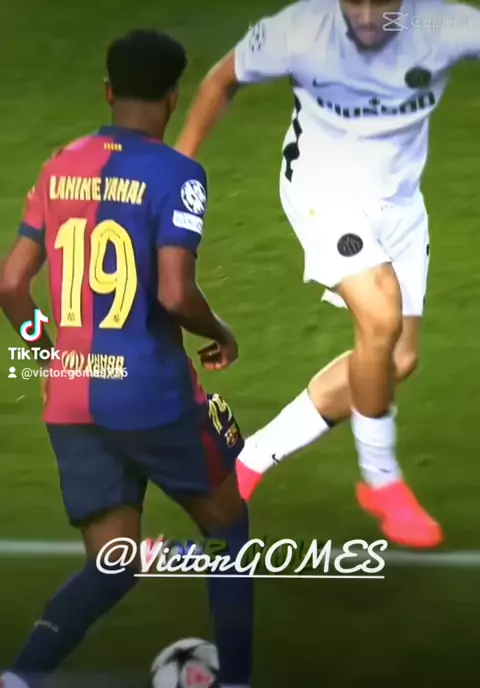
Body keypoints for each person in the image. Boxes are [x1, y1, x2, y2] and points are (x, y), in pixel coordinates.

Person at [176, 0, 480, 549]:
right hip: (322, 192)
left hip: (399, 203)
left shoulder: (444, 25)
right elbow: (221, 81)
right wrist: (174, 169)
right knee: (380, 316)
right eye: (353, 2)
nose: (365, 15)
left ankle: (250, 458)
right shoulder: (301, 30)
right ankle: (382, 481)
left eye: (380, 4)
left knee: (395, 359)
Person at [0, 29, 253, 688]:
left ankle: (20, 678)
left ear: (108, 92)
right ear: (173, 100)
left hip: (72, 398)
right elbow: (175, 293)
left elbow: (10, 285)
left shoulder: (59, 165)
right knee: (228, 527)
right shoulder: (177, 174)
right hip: (151, 395)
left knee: (113, 563)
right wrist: (222, 332)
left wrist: (49, 352)